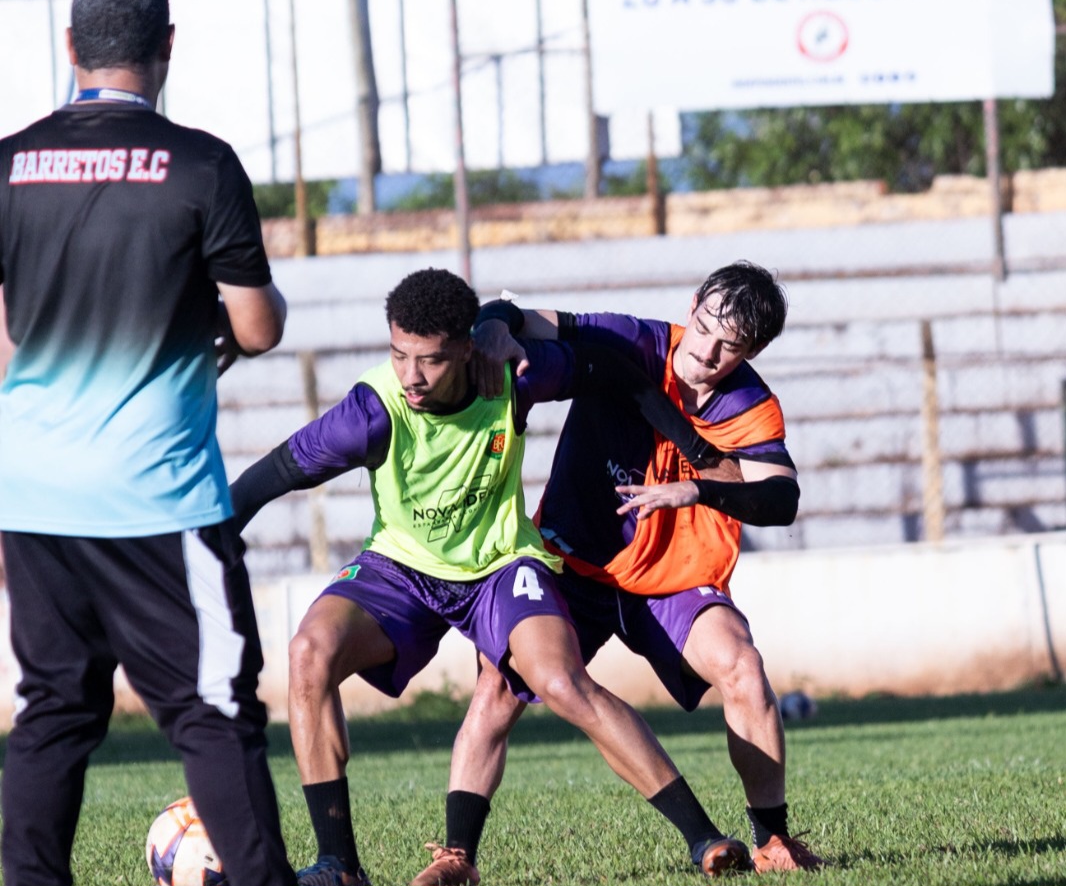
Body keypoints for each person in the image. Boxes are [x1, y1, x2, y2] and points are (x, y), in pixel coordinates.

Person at [228, 266, 757, 886]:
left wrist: (696, 455)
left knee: (560, 679)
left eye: (429, 360)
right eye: (399, 355)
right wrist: (210, 539)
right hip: (400, 567)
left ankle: (703, 839)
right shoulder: (371, 412)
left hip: (502, 565)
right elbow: (275, 473)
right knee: (309, 652)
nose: (412, 376)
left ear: (466, 349)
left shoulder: (511, 376)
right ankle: (339, 865)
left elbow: (614, 373)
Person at [0, 0, 312, 886]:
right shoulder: (201, 164)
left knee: (54, 708)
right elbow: (255, 325)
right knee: (214, 712)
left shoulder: (10, 165)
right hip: (155, 496)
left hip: (35, 492)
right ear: (167, 48)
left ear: (70, 50)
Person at [439, 261, 827, 877]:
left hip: (673, 577)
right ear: (693, 303)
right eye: (704, 326)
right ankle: (457, 856)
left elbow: (781, 500)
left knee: (743, 668)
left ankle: (773, 840)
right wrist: (491, 323)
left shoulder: (750, 405)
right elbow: (528, 317)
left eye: (730, 346)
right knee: (496, 689)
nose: (707, 351)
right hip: (572, 562)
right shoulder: (635, 341)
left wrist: (698, 490)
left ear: (752, 352)